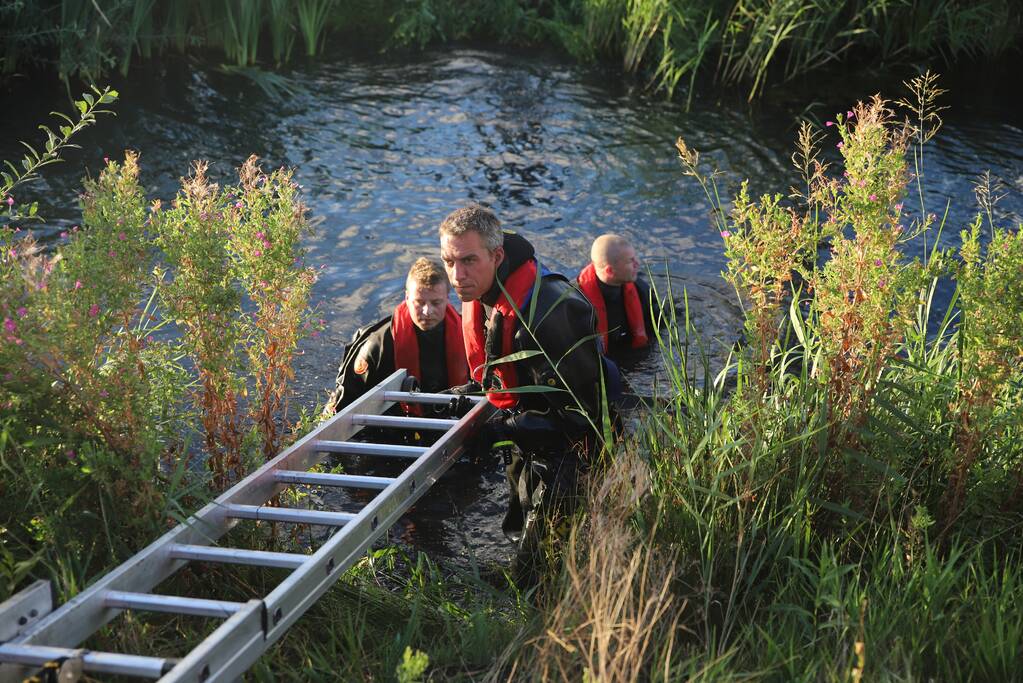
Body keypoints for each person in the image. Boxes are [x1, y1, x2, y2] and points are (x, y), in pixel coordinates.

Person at [438, 204, 620, 572]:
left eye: (469, 260)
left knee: (537, 570)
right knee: (518, 537)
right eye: (449, 261)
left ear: (497, 255)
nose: (457, 275)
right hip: (530, 439)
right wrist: (466, 398)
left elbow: (583, 416)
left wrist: (498, 432)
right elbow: (507, 379)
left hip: (573, 455)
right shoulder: (487, 298)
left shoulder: (547, 312)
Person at [327, 257, 468, 415]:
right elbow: (346, 403)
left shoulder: (468, 335)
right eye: (419, 302)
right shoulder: (377, 344)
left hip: (449, 418)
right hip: (394, 426)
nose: (427, 311)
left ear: (448, 298)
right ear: (407, 298)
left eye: (436, 303)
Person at [576, 234, 656, 363]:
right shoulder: (576, 303)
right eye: (631, 261)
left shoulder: (640, 289)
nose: (638, 263)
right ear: (609, 271)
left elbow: (659, 325)